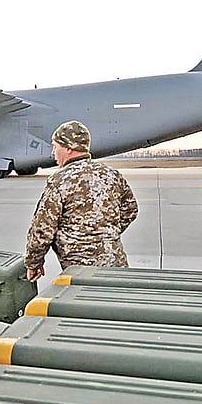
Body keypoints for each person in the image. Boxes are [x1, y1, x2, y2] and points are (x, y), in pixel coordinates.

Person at [24, 120, 138, 282]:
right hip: (115, 264)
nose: (53, 153)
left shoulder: (60, 180)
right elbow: (131, 209)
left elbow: (42, 229)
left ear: (69, 148)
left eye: (55, 147)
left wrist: (33, 263)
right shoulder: (111, 174)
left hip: (80, 270)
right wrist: (106, 234)